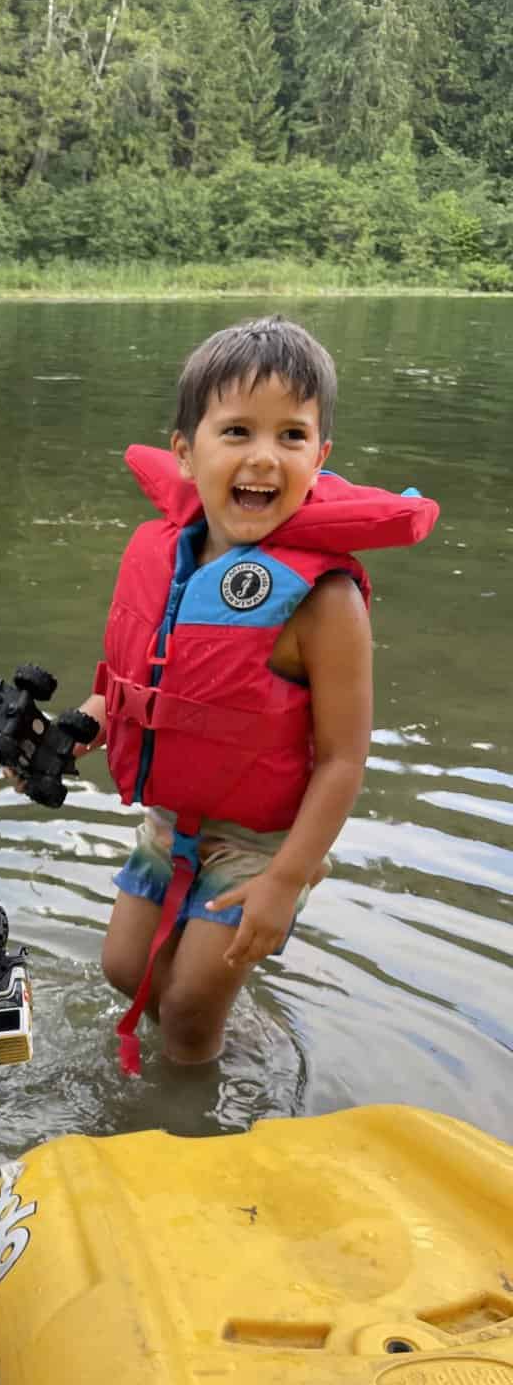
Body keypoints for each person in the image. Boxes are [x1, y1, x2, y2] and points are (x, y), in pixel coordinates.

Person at [68, 316, 438, 1072]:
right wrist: (79, 727)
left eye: (292, 437)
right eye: (236, 431)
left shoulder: (325, 599)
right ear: (185, 451)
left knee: (193, 1006)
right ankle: (211, 1035)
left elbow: (342, 759)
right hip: (172, 820)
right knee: (123, 970)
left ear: (321, 454)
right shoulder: (164, 557)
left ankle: (193, 1116)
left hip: (262, 845)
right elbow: (132, 687)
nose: (264, 457)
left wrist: (285, 880)